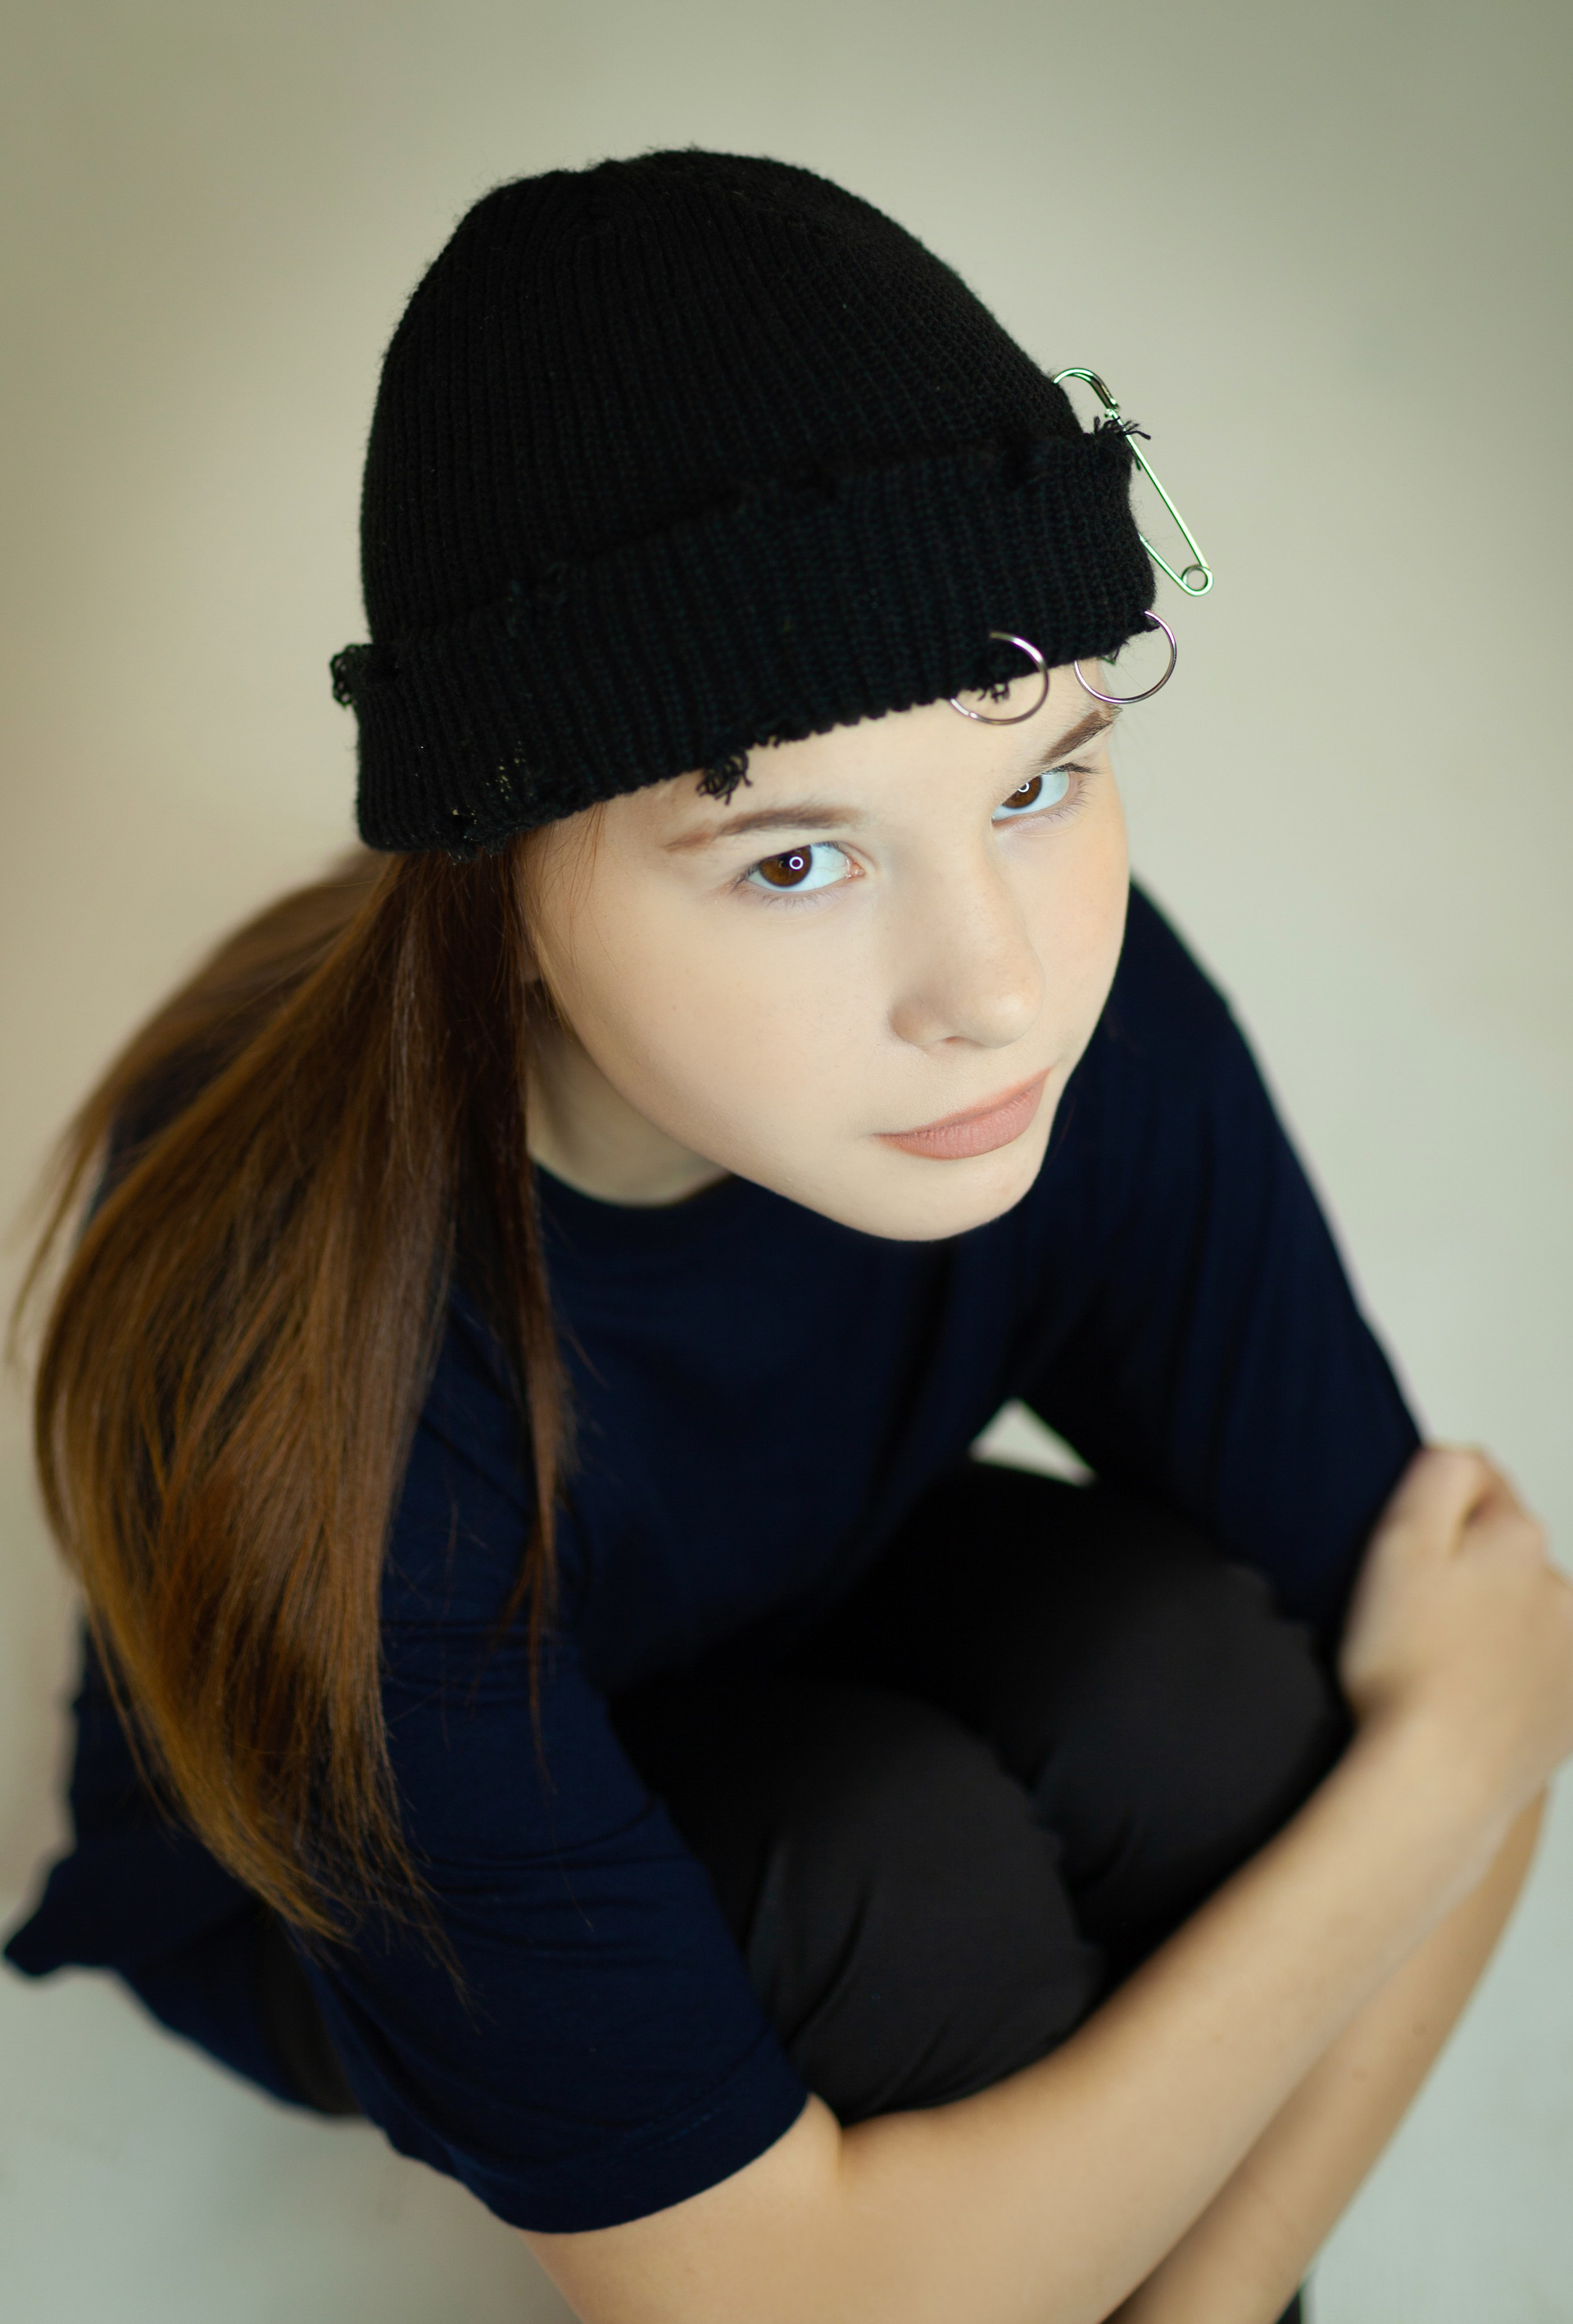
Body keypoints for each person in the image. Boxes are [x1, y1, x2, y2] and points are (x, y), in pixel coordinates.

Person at [6, 150, 1571, 2324]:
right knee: (886, 1871)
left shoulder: (1080, 1029)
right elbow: (1482, 1716)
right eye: (794, 862)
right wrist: (1442, 1776)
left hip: (800, 1603)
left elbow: (1464, 1620)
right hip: (334, 1881)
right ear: (498, 889)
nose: (996, 989)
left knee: (1202, 1695)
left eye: (1037, 781)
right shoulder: (289, 1326)